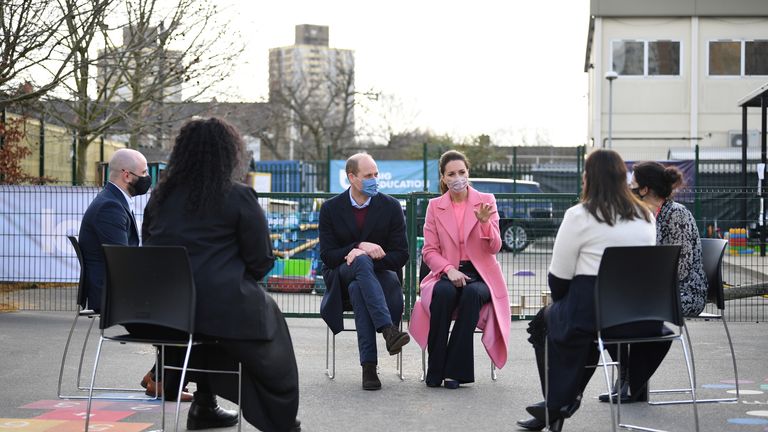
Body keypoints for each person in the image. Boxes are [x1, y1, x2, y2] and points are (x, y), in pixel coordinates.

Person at [140, 117, 300, 432]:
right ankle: (282, 423)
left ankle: (204, 406)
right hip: (224, 312)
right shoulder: (238, 195)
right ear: (228, 154)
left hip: (167, 315)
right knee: (265, 325)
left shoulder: (159, 199)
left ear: (181, 154)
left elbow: (150, 249)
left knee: (207, 325)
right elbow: (261, 261)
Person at [517, 149, 671, 432]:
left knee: (546, 321)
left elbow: (558, 281)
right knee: (580, 325)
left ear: (588, 178)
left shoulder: (579, 215)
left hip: (595, 312)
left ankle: (557, 402)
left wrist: (565, 300)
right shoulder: (646, 217)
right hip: (643, 316)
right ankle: (561, 401)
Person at [596, 161, 709, 404]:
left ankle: (633, 382)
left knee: (628, 307)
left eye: (632, 183)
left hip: (685, 291)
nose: (629, 187)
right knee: (605, 307)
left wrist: (641, 286)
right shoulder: (642, 216)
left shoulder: (676, 214)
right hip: (656, 290)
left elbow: (681, 267)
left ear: (645, 189)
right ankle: (627, 377)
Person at [77, 148, 186, 401]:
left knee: (181, 309)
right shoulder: (110, 208)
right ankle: (163, 381)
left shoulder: (111, 202)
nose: (148, 177)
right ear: (127, 175)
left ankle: (158, 378)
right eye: (145, 172)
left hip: (117, 293)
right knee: (185, 317)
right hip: (114, 300)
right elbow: (123, 264)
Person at [409, 150, 510, 389]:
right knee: (443, 294)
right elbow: (429, 251)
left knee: (471, 295)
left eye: (462, 172)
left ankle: (455, 372)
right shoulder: (435, 206)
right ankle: (435, 370)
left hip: (480, 276)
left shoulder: (487, 200)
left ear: (468, 173)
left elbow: (495, 247)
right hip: (447, 272)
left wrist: (486, 224)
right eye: (451, 174)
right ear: (443, 178)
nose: (458, 178)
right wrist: (448, 269)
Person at [319, 152, 411, 391]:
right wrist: (358, 248)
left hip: (381, 278)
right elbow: (327, 256)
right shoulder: (330, 208)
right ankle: (388, 330)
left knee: (358, 287)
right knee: (357, 266)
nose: (374, 179)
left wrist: (368, 258)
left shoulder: (390, 207)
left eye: (376, 174)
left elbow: (401, 255)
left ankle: (369, 368)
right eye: (368, 175)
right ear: (352, 177)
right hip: (341, 274)